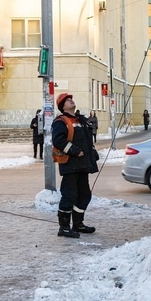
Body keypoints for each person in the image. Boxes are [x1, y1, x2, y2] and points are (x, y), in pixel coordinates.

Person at [52, 93, 99, 238]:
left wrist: (92, 153)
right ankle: (64, 227)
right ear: (62, 106)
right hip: (70, 165)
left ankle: (78, 224)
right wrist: (74, 150)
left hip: (82, 165)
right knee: (69, 195)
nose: (71, 100)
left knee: (84, 195)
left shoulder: (80, 120)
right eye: (67, 100)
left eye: (71, 98)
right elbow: (58, 140)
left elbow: (86, 140)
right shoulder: (61, 121)